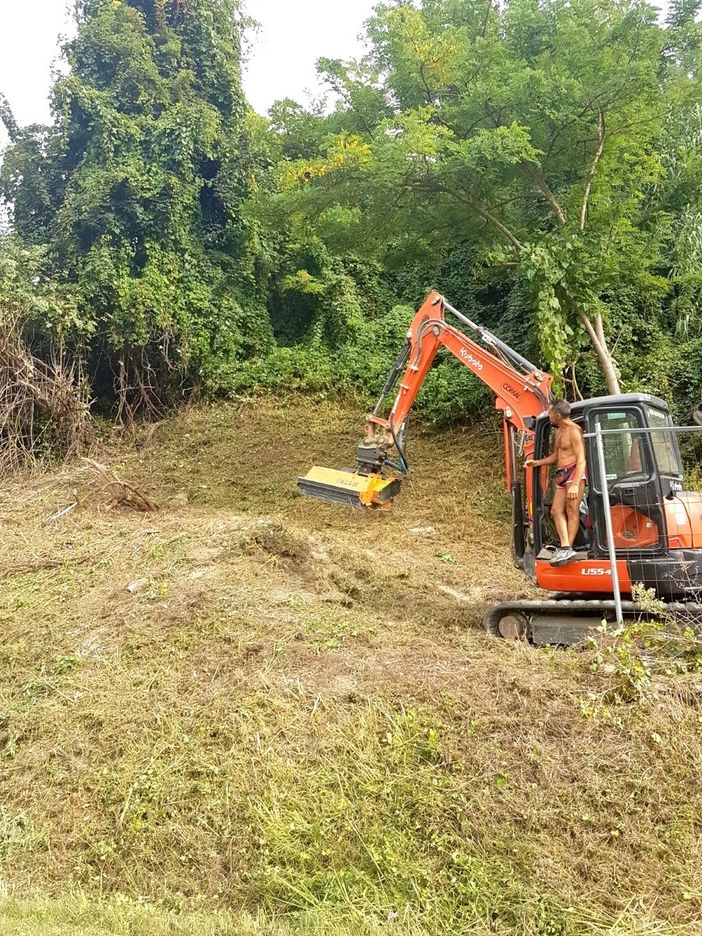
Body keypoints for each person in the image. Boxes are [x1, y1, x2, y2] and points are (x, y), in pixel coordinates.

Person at [525, 399, 587, 566]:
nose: (549, 415)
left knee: (571, 510)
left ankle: (567, 548)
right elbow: (557, 456)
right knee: (555, 511)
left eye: (550, 413)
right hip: (562, 473)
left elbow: (581, 459)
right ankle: (565, 546)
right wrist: (537, 463)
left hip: (574, 473)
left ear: (558, 415)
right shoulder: (559, 432)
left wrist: (575, 483)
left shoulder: (575, 431)